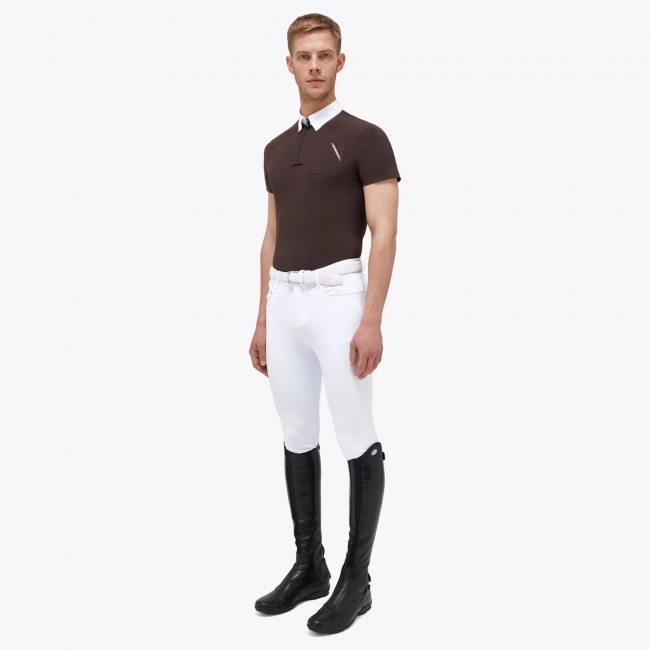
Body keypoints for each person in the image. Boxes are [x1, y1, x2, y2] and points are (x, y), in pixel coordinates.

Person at [249, 13, 401, 635]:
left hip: (340, 298)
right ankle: (310, 565)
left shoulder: (366, 138)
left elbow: (385, 233)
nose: (314, 65)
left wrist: (372, 319)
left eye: (324, 54)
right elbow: (271, 237)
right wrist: (263, 316)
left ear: (341, 61)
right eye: (304, 56)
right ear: (288, 64)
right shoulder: (275, 150)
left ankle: (356, 582)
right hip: (285, 301)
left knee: (356, 434)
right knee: (296, 432)